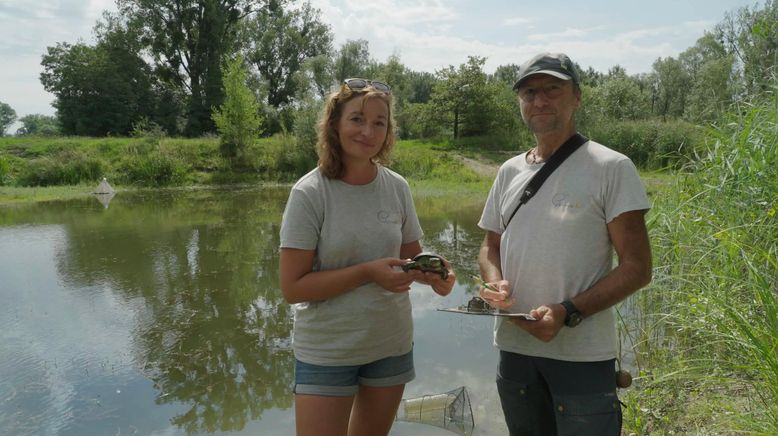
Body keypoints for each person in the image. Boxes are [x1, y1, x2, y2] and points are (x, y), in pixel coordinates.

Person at [476, 53, 652, 435]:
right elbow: (490, 245)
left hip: (583, 357)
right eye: (529, 92)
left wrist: (567, 310)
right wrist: (494, 283)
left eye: (553, 89)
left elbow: (637, 267)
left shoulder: (611, 167)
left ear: (577, 96)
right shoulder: (508, 171)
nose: (540, 101)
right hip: (514, 350)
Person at [279, 78, 456, 436]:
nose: (368, 131)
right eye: (357, 119)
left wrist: (436, 273)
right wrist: (368, 272)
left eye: (380, 122)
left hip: (389, 344)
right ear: (334, 124)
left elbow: (411, 256)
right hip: (327, 350)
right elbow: (293, 288)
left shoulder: (397, 186)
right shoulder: (309, 193)